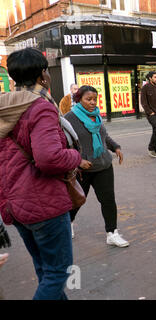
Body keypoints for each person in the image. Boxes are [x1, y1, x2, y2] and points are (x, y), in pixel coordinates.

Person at [0, 48, 84, 300]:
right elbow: (49, 159)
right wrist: (77, 157)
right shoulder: (40, 108)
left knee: (45, 270)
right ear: (43, 76)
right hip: (43, 203)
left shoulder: (5, 107)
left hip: (15, 204)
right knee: (59, 272)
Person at [64, 85, 129, 247]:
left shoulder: (96, 115)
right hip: (82, 170)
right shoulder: (69, 119)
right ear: (79, 99)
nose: (93, 103)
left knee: (108, 200)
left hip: (104, 165)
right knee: (77, 200)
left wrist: (116, 147)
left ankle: (112, 233)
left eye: (95, 99)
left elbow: (104, 136)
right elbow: (63, 145)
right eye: (88, 99)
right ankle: (68, 224)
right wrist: (78, 161)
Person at [140, 71, 156, 158]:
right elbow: (143, 102)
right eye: (155, 77)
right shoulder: (145, 87)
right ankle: (151, 149)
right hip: (151, 114)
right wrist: (150, 112)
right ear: (150, 78)